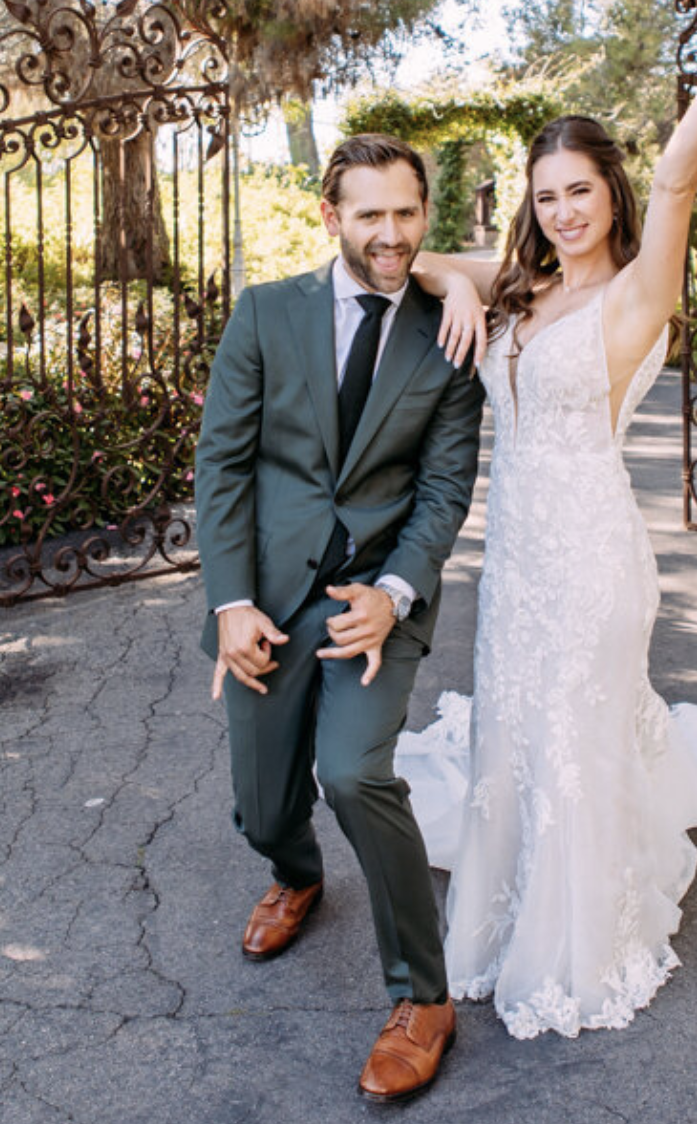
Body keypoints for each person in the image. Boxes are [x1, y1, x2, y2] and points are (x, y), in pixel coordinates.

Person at [396, 4, 697, 1040]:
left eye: (580, 191)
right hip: (514, 561)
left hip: (593, 553)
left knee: (577, 737)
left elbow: (682, 181)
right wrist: (461, 297)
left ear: (611, 191)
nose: (562, 211)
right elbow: (410, 255)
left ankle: (581, 940)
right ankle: (508, 912)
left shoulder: (640, 291)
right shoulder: (517, 287)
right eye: (545, 195)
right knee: (517, 725)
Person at [193, 133, 485, 1103]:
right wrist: (231, 602)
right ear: (331, 215)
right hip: (268, 602)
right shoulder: (267, 313)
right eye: (370, 214)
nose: (392, 233)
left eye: (407, 213)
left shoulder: (448, 334)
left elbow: (444, 489)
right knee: (265, 801)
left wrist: (395, 591)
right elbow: (223, 465)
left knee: (355, 771)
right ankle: (295, 868)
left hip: (375, 601)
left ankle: (422, 995)